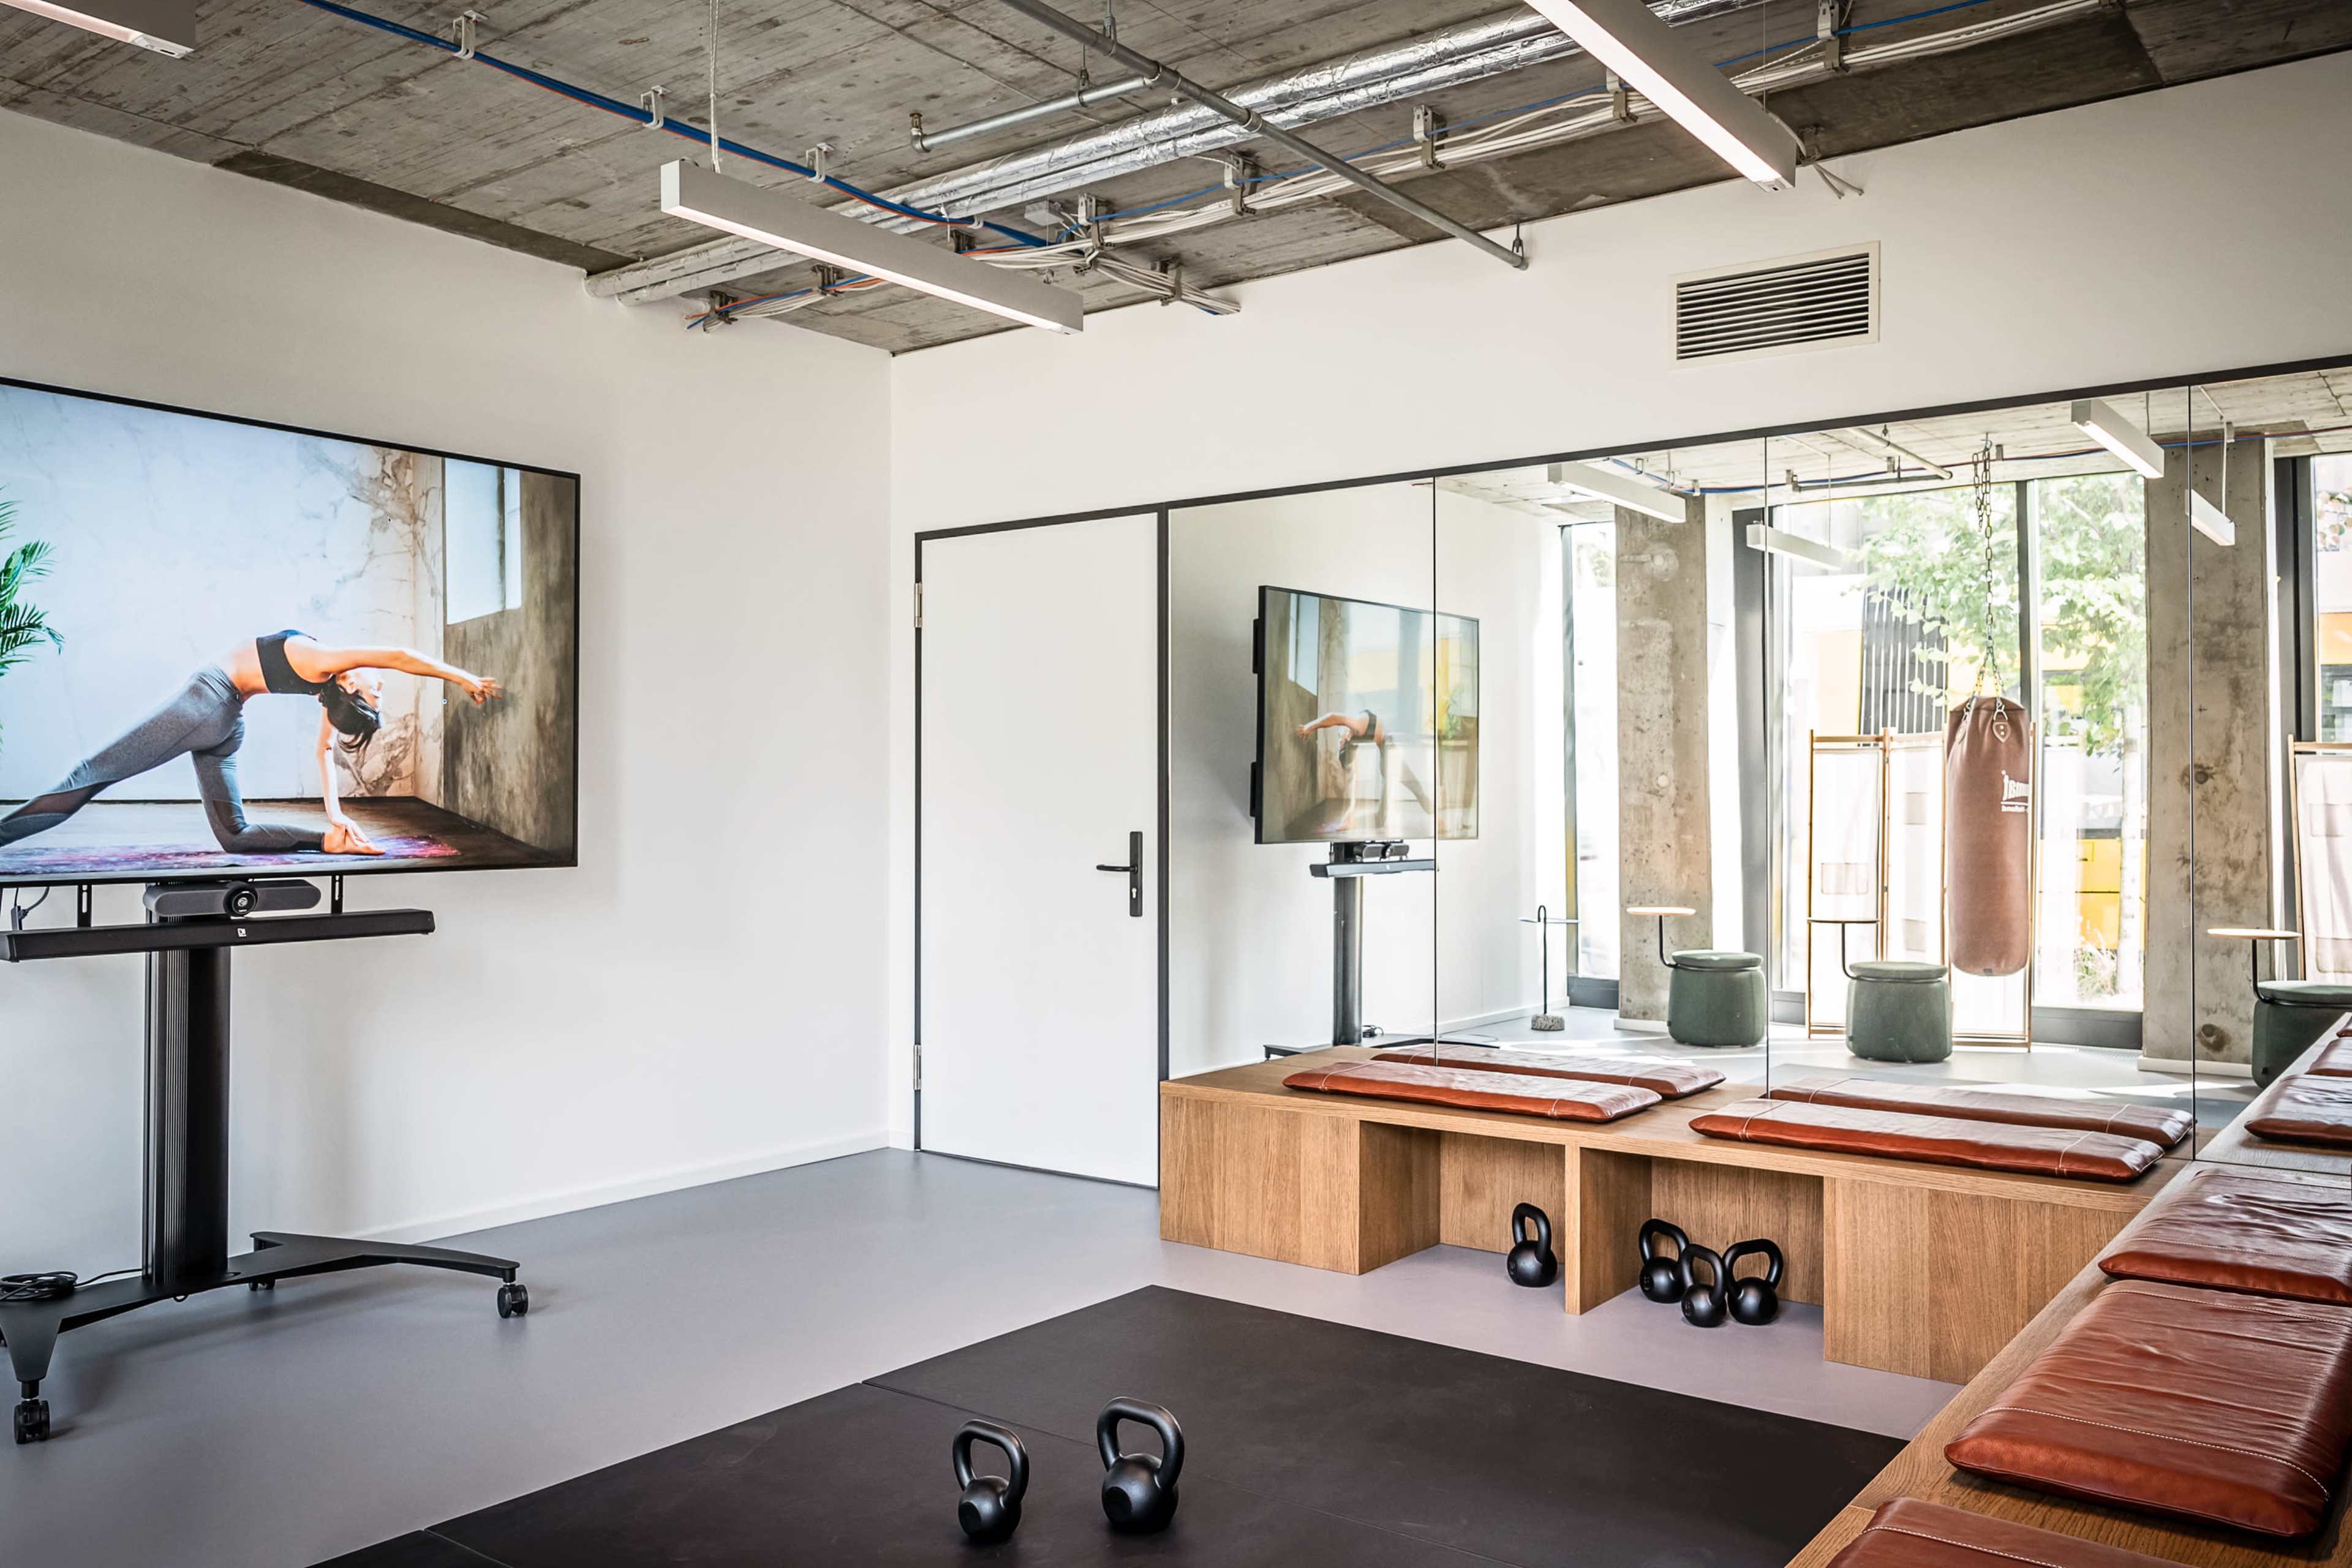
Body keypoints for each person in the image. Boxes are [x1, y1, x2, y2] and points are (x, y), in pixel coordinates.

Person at [0, 630, 502, 858]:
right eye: (380, 692)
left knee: (88, 776)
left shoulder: (328, 665)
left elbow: (396, 655)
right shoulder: (327, 684)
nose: (381, 685)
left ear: (351, 686)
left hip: (207, 704)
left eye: (376, 692)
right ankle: (327, 845)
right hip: (225, 720)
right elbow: (323, 752)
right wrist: (333, 819)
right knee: (234, 836)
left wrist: (460, 677)